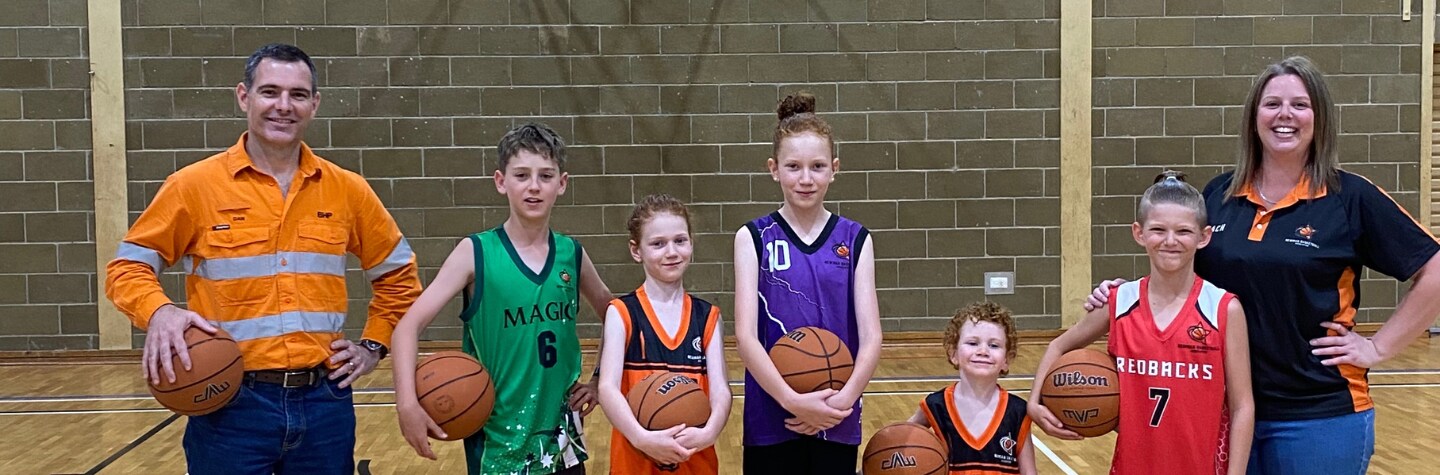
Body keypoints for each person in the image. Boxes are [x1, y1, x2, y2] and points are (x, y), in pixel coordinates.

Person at [1087, 57, 1440, 474]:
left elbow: (1433, 269)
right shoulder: (1219, 195)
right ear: (1254, 116)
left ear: (1319, 117)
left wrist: (1378, 347)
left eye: (1300, 105)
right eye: (1272, 104)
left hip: (1318, 415)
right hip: (1218, 409)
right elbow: (1181, 276)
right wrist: (1126, 294)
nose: (1285, 115)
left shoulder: (1350, 197)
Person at [104, 43, 421, 474]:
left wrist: (372, 346)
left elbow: (399, 277)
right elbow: (127, 267)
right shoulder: (193, 186)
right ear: (243, 97)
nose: (283, 106)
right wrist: (158, 312)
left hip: (325, 402)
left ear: (314, 104)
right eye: (270, 92)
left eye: (298, 95)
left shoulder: (348, 190)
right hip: (229, 403)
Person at [390, 122, 612, 475]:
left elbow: (614, 316)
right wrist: (406, 405)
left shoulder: (572, 253)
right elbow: (406, 328)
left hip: (562, 439)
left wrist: (601, 380)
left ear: (562, 183)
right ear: (501, 181)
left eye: (546, 175)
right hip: (497, 439)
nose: (534, 186)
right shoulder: (475, 252)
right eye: (521, 175)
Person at [1035, 173, 1253, 474]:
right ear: (1139, 233)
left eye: (1184, 231)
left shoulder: (1224, 308)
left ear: (1204, 236)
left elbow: (1243, 406)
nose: (1170, 241)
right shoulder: (1119, 302)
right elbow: (1059, 345)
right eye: (1158, 230)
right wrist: (1035, 403)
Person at [732, 92, 883, 474]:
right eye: (793, 166)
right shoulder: (753, 237)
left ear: (834, 168)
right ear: (773, 169)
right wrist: (792, 400)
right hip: (772, 413)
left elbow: (872, 338)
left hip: (838, 413)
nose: (805, 178)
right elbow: (746, 337)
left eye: (817, 166)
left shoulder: (856, 238)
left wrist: (841, 403)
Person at [596, 194, 732, 474]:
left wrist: (709, 433)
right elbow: (608, 389)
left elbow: (720, 391)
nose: (671, 252)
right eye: (658, 244)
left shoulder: (707, 316)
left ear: (691, 244)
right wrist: (641, 437)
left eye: (680, 241)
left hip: (696, 461)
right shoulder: (622, 312)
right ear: (637, 251)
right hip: (634, 463)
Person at [909, 302, 1037, 475]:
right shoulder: (935, 405)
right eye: (972, 343)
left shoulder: (1018, 411)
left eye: (994, 345)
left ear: (1006, 360)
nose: (983, 351)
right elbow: (895, 442)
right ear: (953, 353)